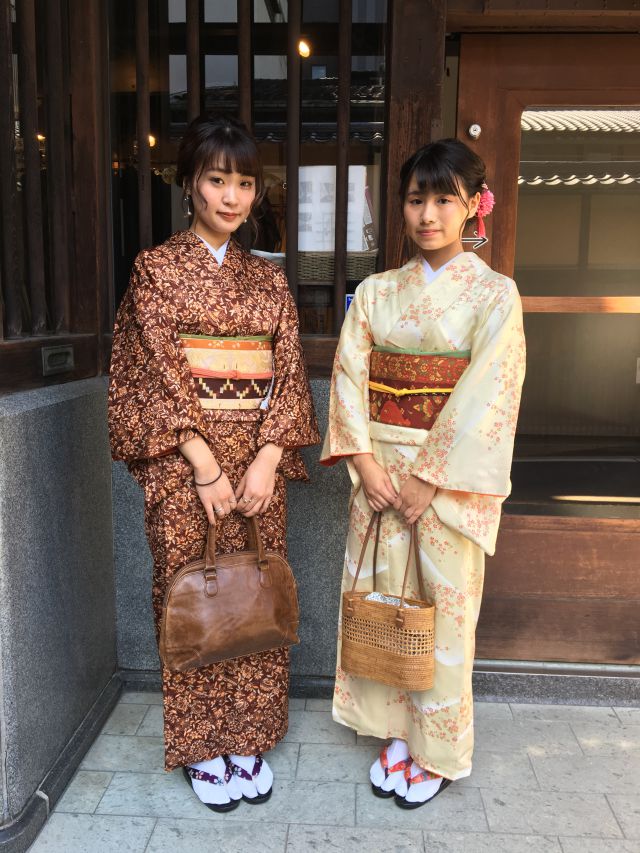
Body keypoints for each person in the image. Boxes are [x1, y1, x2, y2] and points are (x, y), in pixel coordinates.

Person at [108, 114, 319, 812]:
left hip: (257, 463)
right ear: (189, 184)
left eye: (245, 183)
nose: (232, 197)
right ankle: (202, 743)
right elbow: (153, 374)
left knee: (253, 591)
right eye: (217, 179)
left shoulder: (268, 281)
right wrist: (202, 463)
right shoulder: (156, 270)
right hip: (181, 462)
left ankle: (249, 733)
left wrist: (267, 459)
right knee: (194, 595)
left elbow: (288, 372)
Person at [321, 138, 526, 808]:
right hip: (379, 474)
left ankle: (435, 750)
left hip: (445, 484)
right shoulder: (376, 292)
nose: (428, 214)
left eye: (444, 199)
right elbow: (349, 376)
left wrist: (430, 476)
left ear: (474, 206)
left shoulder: (494, 294)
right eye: (416, 199)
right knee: (384, 601)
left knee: (443, 615)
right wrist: (363, 462)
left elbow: (490, 393)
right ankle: (394, 732)